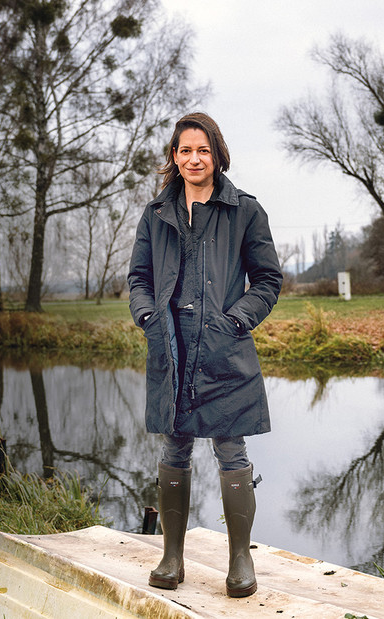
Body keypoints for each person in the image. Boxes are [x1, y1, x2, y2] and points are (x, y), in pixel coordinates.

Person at [128, 112, 282, 598]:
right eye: (184, 150)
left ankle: (240, 561)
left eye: (203, 150)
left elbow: (269, 280)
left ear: (217, 154)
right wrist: (148, 317)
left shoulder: (245, 211)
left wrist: (235, 320)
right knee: (174, 447)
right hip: (170, 347)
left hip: (223, 347)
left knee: (230, 449)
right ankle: (172, 557)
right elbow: (138, 279)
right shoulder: (156, 214)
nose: (194, 159)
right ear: (174, 157)